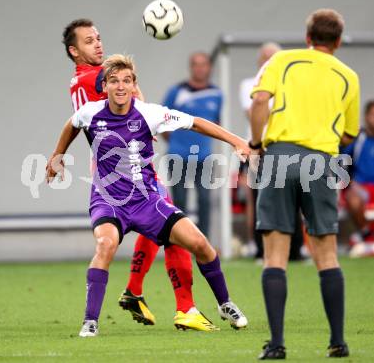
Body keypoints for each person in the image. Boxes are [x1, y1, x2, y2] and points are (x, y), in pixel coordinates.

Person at [46, 54, 249, 337]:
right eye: (114, 81)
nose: (120, 86)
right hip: (108, 200)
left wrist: (237, 141)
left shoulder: (149, 113)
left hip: (147, 201)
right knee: (106, 245)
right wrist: (57, 156)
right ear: (104, 85)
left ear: (134, 85)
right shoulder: (91, 112)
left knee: (200, 244)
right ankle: (90, 321)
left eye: (126, 81)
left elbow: (196, 122)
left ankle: (225, 303)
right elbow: (72, 124)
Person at [62, 18, 215, 331]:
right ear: (74, 50)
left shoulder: (81, 80)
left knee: (159, 230)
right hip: (126, 168)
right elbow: (133, 97)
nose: (99, 45)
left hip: (123, 164)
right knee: (172, 231)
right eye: (89, 41)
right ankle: (185, 308)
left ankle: (135, 291)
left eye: (99, 37)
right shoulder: (93, 77)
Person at [249, 9, 359, 359]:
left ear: (308, 36)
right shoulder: (349, 76)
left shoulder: (282, 60)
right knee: (326, 253)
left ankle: (277, 344)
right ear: (338, 42)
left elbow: (260, 101)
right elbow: (347, 134)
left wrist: (255, 144)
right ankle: (338, 342)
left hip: (280, 156)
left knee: (275, 255)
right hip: (323, 162)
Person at [163, 52, 222, 237]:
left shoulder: (217, 94)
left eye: (203, 64)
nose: (200, 68)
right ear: (191, 67)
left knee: (205, 200)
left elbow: (216, 124)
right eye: (196, 64)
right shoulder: (177, 91)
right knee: (180, 202)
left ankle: (203, 243)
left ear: (209, 68)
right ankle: (182, 241)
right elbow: (163, 121)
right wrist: (176, 142)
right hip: (178, 155)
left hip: (204, 157)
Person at [239, 43, 282, 258]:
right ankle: (259, 249)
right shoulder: (249, 84)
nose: (269, 61)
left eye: (273, 57)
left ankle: (295, 250)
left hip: (283, 147)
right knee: (258, 200)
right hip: (256, 148)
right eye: (265, 57)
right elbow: (255, 113)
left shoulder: (287, 84)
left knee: (289, 199)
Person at [342, 100, 374, 248]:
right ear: (366, 117)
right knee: (353, 198)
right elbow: (339, 161)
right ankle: (366, 234)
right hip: (361, 187)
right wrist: (348, 182)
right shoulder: (357, 139)